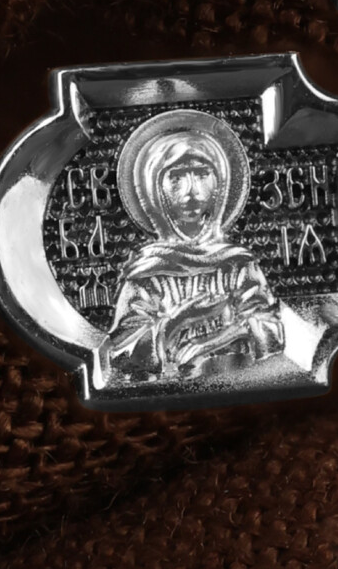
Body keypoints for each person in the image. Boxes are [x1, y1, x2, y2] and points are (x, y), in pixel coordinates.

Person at [100, 113, 284, 386]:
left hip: (239, 380)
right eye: (176, 177)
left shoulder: (237, 264)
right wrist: (177, 321)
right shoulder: (146, 276)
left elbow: (270, 334)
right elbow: (124, 355)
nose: (191, 192)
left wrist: (209, 343)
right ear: (153, 189)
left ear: (220, 183)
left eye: (201, 174)